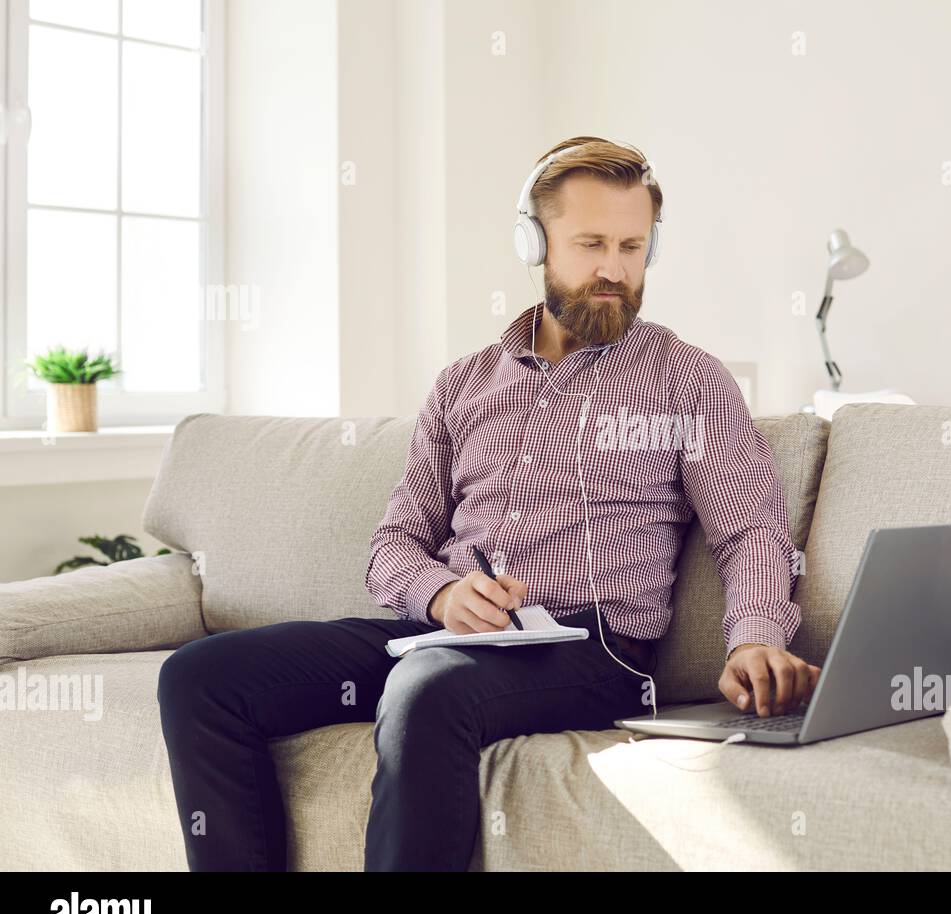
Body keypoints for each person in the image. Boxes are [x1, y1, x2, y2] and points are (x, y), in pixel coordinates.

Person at [157, 136, 819, 872]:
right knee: (200, 677)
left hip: (591, 650)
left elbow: (751, 531)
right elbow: (393, 546)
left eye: (633, 247)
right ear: (533, 242)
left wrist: (754, 636)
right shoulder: (462, 385)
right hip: (441, 640)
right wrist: (442, 595)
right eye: (591, 242)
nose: (614, 269)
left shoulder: (686, 380)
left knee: (424, 689)